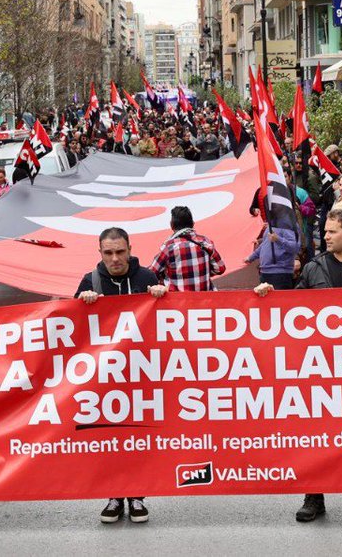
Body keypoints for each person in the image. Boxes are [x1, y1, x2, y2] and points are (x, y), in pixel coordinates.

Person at [253, 208, 342, 524]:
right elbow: (294, 312)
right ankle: (313, 496)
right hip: (322, 368)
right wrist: (270, 296)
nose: (326, 236)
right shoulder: (313, 269)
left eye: (332, 231)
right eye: (326, 231)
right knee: (317, 434)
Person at [74, 227, 163, 525]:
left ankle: (137, 494)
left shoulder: (147, 278)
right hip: (105, 378)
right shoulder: (91, 280)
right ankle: (113, 495)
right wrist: (81, 303)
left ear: (130, 249)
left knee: (137, 436)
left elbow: (167, 322)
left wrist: (163, 297)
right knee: (108, 438)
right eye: (108, 253)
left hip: (142, 374)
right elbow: (71, 330)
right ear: (99, 252)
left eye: (120, 252)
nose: (115, 258)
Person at [147, 206, 226, 292]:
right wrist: (201, 272)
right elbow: (220, 268)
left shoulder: (169, 247)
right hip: (206, 300)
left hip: (179, 301)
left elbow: (151, 273)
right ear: (193, 223)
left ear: (172, 225)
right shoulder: (205, 242)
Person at [245, 220, 300, 290]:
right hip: (265, 272)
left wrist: (278, 239)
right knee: (266, 300)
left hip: (280, 273)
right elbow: (265, 244)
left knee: (278, 300)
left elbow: (295, 247)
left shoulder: (289, 224)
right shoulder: (272, 223)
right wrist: (251, 257)